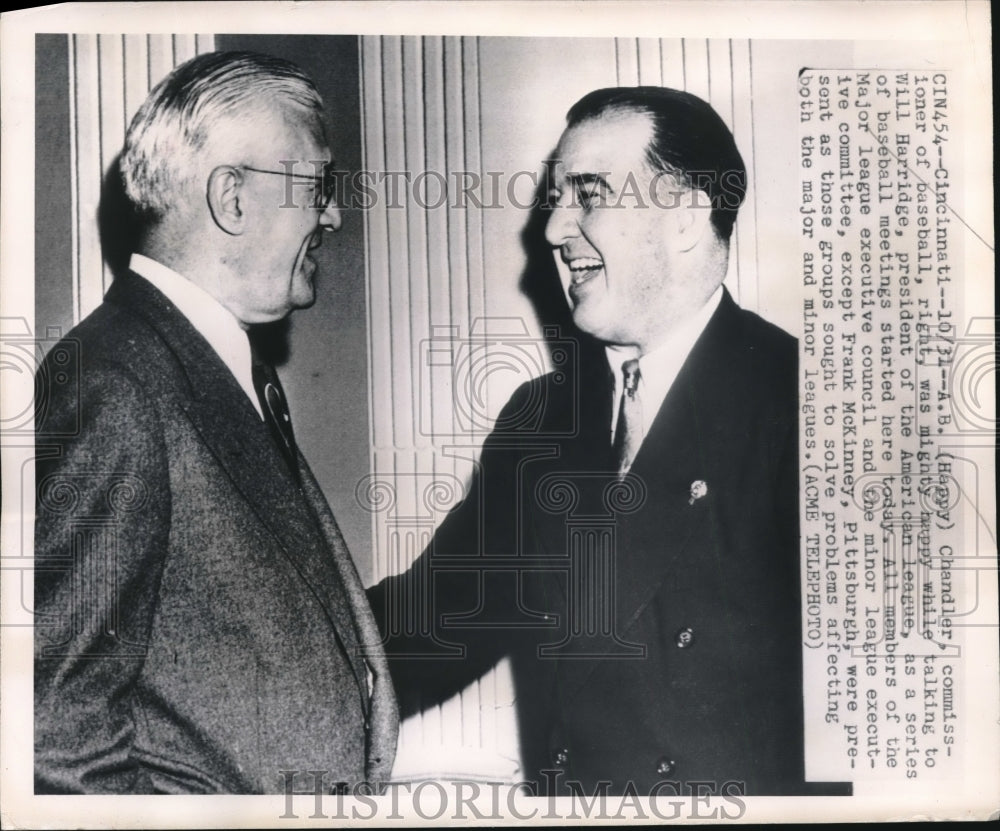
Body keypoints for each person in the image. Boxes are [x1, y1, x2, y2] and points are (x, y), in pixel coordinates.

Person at [371, 86, 848, 797]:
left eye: (588, 193)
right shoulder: (539, 422)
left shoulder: (817, 405)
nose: (556, 229)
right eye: (557, 198)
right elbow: (428, 626)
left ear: (685, 217)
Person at [34, 51, 397, 794]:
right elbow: (52, 740)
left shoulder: (210, 367)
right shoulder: (118, 386)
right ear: (232, 197)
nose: (331, 213)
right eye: (317, 185)